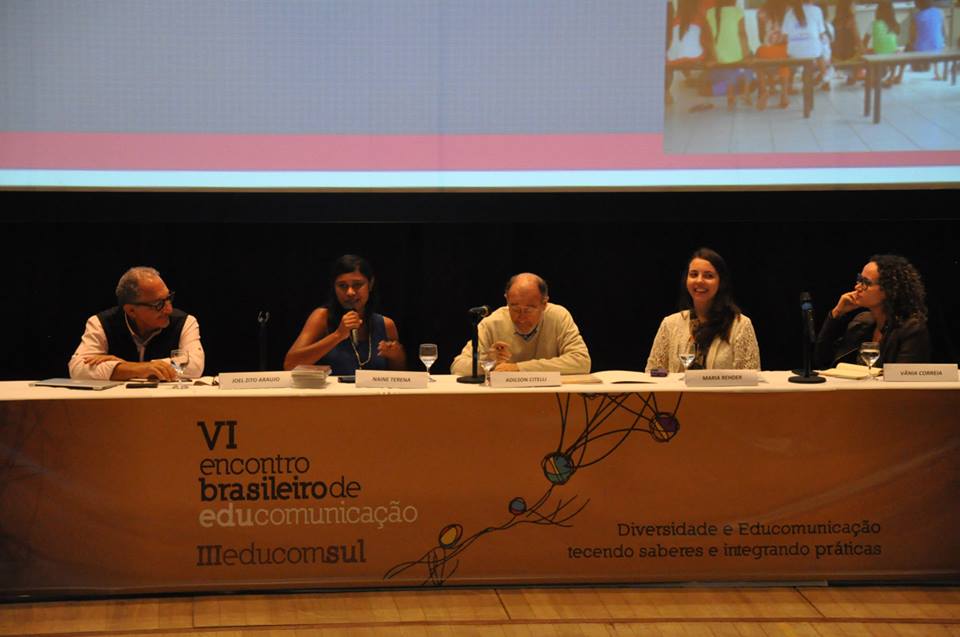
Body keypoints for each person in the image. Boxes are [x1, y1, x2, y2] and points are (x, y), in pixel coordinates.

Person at [69, 266, 204, 380]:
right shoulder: (102, 323)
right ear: (131, 310)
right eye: (159, 304)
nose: (169, 309)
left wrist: (129, 367)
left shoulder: (184, 322)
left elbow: (194, 366)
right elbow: (78, 369)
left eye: (168, 298)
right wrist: (140, 369)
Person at [284, 255, 406, 375]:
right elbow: (289, 365)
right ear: (334, 287)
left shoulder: (386, 324)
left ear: (370, 284)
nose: (350, 292)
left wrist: (397, 358)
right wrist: (338, 335)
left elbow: (399, 378)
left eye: (357, 285)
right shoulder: (322, 317)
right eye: (342, 286)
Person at [450, 273, 590, 375]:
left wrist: (519, 368)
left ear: (544, 304)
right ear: (507, 300)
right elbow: (457, 366)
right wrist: (489, 363)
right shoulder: (492, 323)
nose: (521, 317)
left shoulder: (558, 316)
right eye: (515, 308)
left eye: (528, 310)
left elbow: (582, 361)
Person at [645, 248, 760, 373]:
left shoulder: (740, 325)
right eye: (694, 274)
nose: (699, 280)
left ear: (721, 282)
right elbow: (652, 374)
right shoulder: (670, 324)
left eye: (708, 276)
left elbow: (752, 378)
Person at [815, 255, 930, 369]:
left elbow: (904, 377)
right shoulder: (862, 321)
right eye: (860, 279)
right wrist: (836, 313)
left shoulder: (911, 328)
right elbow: (822, 361)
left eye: (866, 283)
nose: (857, 287)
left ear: (888, 290)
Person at [704, 0, 753, 110]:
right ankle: (746, 92)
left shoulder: (709, 12)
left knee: (729, 67)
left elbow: (708, 39)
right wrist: (747, 55)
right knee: (750, 59)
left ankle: (730, 91)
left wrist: (714, 56)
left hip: (719, 56)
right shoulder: (737, 11)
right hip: (736, 55)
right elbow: (742, 34)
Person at [782, 0, 827, 95]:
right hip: (814, 52)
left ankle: (790, 84)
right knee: (821, 50)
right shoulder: (817, 10)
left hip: (793, 52)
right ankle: (825, 78)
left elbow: (785, 36)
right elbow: (821, 34)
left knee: (790, 54)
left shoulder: (789, 13)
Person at [755, 0, 791, 110]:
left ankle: (764, 90)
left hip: (765, 50)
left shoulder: (761, 11)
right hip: (783, 50)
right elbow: (789, 36)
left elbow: (761, 37)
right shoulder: (788, 10)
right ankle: (784, 94)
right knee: (785, 59)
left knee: (758, 60)